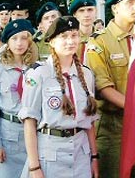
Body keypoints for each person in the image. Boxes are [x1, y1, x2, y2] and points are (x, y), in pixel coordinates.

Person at [86, 0, 135, 178]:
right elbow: (103, 87)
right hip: (113, 128)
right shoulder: (99, 42)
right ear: (115, 8)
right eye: (130, 3)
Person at [19, 16, 99, 178]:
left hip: (80, 153)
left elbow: (88, 122)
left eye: (74, 35)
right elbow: (29, 122)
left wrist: (94, 156)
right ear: (52, 42)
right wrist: (34, 167)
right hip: (50, 154)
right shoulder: (38, 74)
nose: (70, 41)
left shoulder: (86, 74)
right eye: (64, 36)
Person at [0, 19, 36, 178]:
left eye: (23, 38)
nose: (19, 43)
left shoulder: (37, 68)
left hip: (34, 136)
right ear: (7, 42)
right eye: (14, 38)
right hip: (9, 136)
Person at [68, 0, 97, 64]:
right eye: (81, 11)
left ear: (96, 12)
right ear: (75, 15)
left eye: (90, 10)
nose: (86, 15)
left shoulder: (103, 38)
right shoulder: (68, 39)